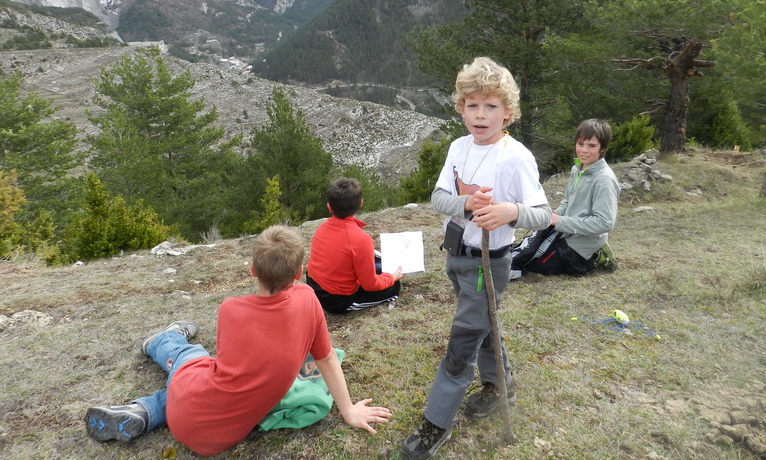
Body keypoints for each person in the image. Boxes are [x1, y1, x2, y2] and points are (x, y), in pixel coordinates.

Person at [85, 225, 391, 456]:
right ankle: (146, 410)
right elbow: (324, 359)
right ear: (299, 272)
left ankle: (160, 341)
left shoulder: (231, 309)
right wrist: (348, 410)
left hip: (189, 412)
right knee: (211, 380)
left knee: (191, 355)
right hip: (216, 441)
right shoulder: (309, 301)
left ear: (252, 269)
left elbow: (225, 363)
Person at [400, 57, 552, 460]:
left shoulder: (515, 157)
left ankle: (436, 424)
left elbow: (543, 213)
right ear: (461, 107)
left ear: (508, 112)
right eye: (472, 105)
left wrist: (510, 212)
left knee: (462, 341)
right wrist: (466, 202)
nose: (480, 115)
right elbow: (438, 198)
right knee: (485, 321)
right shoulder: (457, 147)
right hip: (457, 255)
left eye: (491, 107)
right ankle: (500, 387)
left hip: (490, 263)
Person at [510, 118, 620, 279]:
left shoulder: (604, 179)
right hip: (566, 231)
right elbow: (569, 201)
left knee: (538, 266)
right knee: (529, 250)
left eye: (591, 146)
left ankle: (594, 257)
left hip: (582, 241)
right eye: (580, 144)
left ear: (602, 148)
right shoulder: (577, 169)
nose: (584, 150)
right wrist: (552, 216)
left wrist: (559, 222)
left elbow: (605, 223)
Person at [306, 177, 403, 313]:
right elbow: (370, 285)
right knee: (394, 287)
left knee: (377, 265)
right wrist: (392, 278)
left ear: (329, 207)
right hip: (335, 300)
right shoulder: (361, 239)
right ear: (361, 203)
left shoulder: (322, 227)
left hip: (312, 284)